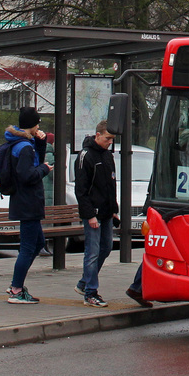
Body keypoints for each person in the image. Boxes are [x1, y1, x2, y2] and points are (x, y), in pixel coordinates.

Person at [6, 106, 53, 304]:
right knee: (28, 247)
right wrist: (44, 169)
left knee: (38, 243)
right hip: (28, 202)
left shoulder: (24, 143)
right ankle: (16, 289)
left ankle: (16, 285)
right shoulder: (24, 147)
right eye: (38, 123)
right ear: (33, 124)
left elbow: (34, 161)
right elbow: (26, 174)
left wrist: (41, 142)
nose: (39, 126)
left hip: (27, 201)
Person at [74, 120, 119, 308]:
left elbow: (111, 184)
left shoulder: (108, 156)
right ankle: (91, 292)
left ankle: (85, 282)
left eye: (112, 139)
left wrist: (114, 210)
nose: (110, 142)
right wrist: (90, 214)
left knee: (106, 248)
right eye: (107, 138)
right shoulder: (86, 156)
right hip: (94, 212)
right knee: (92, 252)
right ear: (97, 135)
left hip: (107, 212)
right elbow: (81, 190)